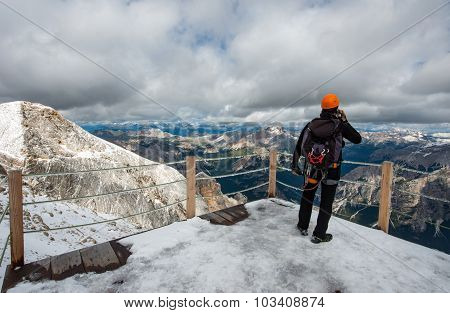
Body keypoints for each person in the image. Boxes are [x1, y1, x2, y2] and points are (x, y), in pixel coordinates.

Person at [291, 93, 361, 244]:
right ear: (337, 108)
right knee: (326, 202)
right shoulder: (340, 125)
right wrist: (345, 121)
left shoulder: (311, 125)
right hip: (332, 169)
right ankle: (319, 235)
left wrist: (295, 165)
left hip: (312, 168)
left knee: (307, 196)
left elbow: (299, 146)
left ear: (322, 108)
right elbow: (357, 139)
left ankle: (302, 226)